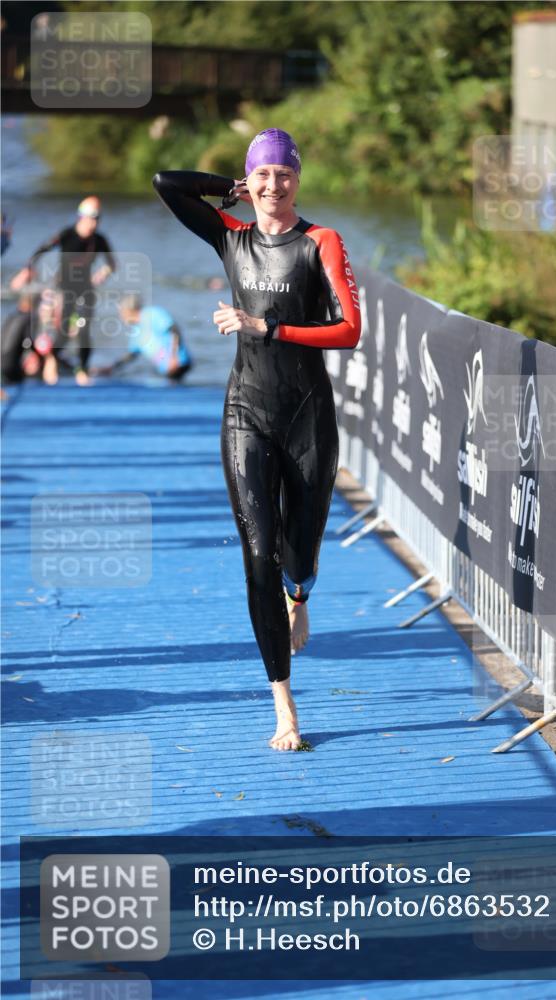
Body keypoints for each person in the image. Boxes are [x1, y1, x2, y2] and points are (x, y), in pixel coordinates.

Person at [153, 128, 361, 751]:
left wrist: (266, 327)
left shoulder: (320, 241)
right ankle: (284, 704)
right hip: (246, 412)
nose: (274, 186)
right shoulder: (229, 235)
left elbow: (349, 330)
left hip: (306, 417)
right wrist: (228, 190)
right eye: (263, 176)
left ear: (299, 179)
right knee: (256, 556)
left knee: (298, 554)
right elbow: (167, 184)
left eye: (284, 174)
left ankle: (301, 593)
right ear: (251, 182)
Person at [10, 196, 116, 385]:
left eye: (97, 219)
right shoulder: (67, 234)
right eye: (91, 218)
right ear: (80, 217)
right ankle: (49, 359)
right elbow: (41, 250)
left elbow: (112, 264)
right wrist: (27, 270)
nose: (94, 223)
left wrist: (103, 273)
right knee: (64, 332)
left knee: (83, 329)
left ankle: (82, 371)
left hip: (85, 290)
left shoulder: (99, 240)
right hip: (63, 289)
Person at [91, 294, 192, 381]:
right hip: (168, 370)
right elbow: (132, 355)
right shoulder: (136, 330)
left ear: (129, 310)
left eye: (122, 313)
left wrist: (173, 357)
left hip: (179, 363)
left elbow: (174, 330)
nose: (121, 317)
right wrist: (111, 368)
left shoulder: (152, 313)